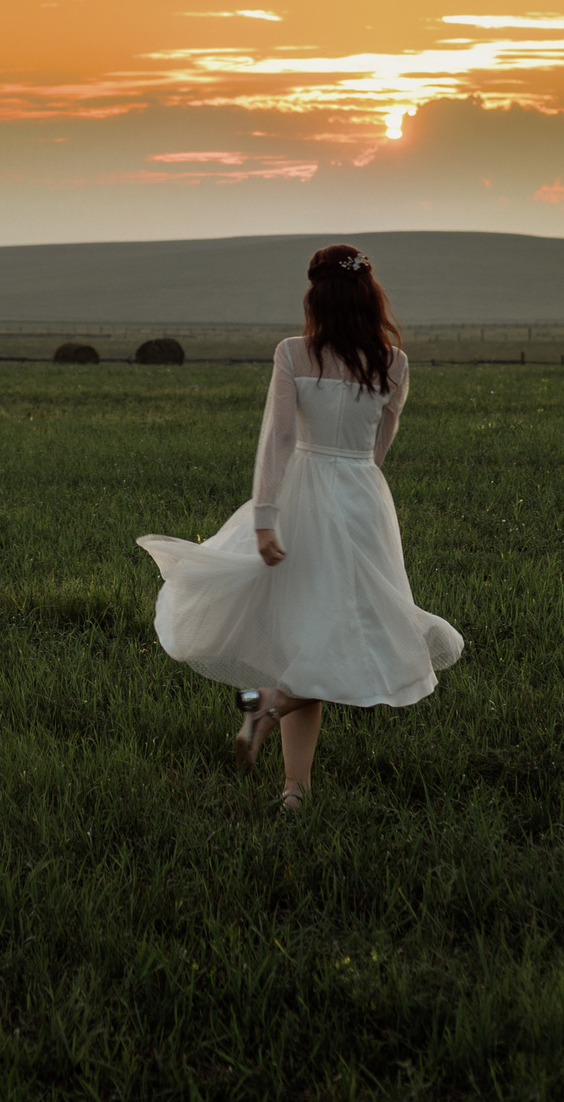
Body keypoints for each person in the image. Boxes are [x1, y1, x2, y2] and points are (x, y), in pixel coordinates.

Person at [136, 244, 465, 811]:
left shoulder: (293, 352)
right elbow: (378, 448)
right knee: (332, 637)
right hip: (361, 501)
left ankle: (276, 730)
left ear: (316, 298)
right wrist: (354, 488)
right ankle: (290, 773)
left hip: (299, 501)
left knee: (306, 638)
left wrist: (265, 518)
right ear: (370, 296)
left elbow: (280, 439)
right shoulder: (394, 362)